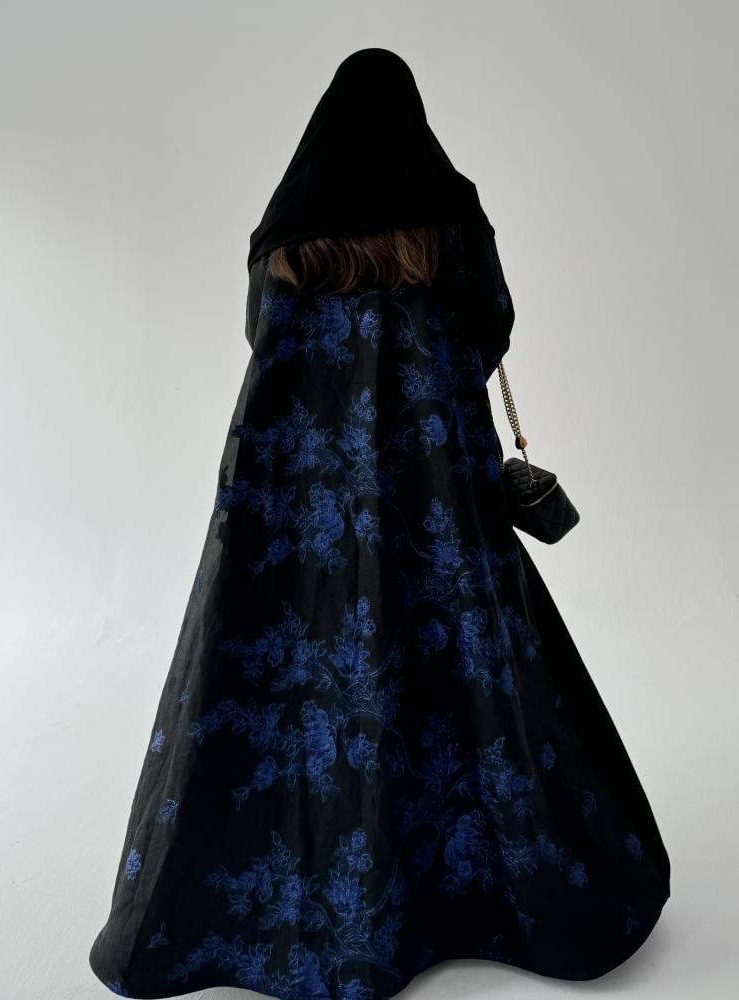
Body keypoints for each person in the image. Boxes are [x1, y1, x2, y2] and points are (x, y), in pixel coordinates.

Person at [89, 47, 670, 1000]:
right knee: (466, 658)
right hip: (434, 478)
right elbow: (490, 325)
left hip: (293, 494)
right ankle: (484, 891)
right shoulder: (449, 215)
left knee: (291, 665)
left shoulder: (284, 230)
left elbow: (258, 334)